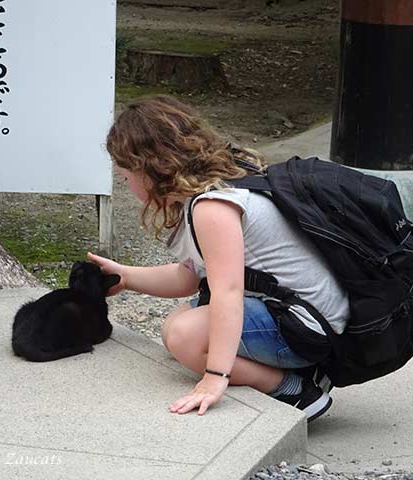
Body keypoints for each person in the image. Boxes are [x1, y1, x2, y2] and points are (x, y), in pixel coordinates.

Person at [87, 95, 349, 422]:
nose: (125, 183)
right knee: (174, 328)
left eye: (125, 174)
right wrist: (125, 277)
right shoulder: (212, 187)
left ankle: (295, 389)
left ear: (150, 167)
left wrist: (215, 377)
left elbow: (227, 292)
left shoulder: (211, 208)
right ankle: (305, 371)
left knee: (185, 336)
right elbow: (188, 277)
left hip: (310, 326)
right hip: (303, 313)